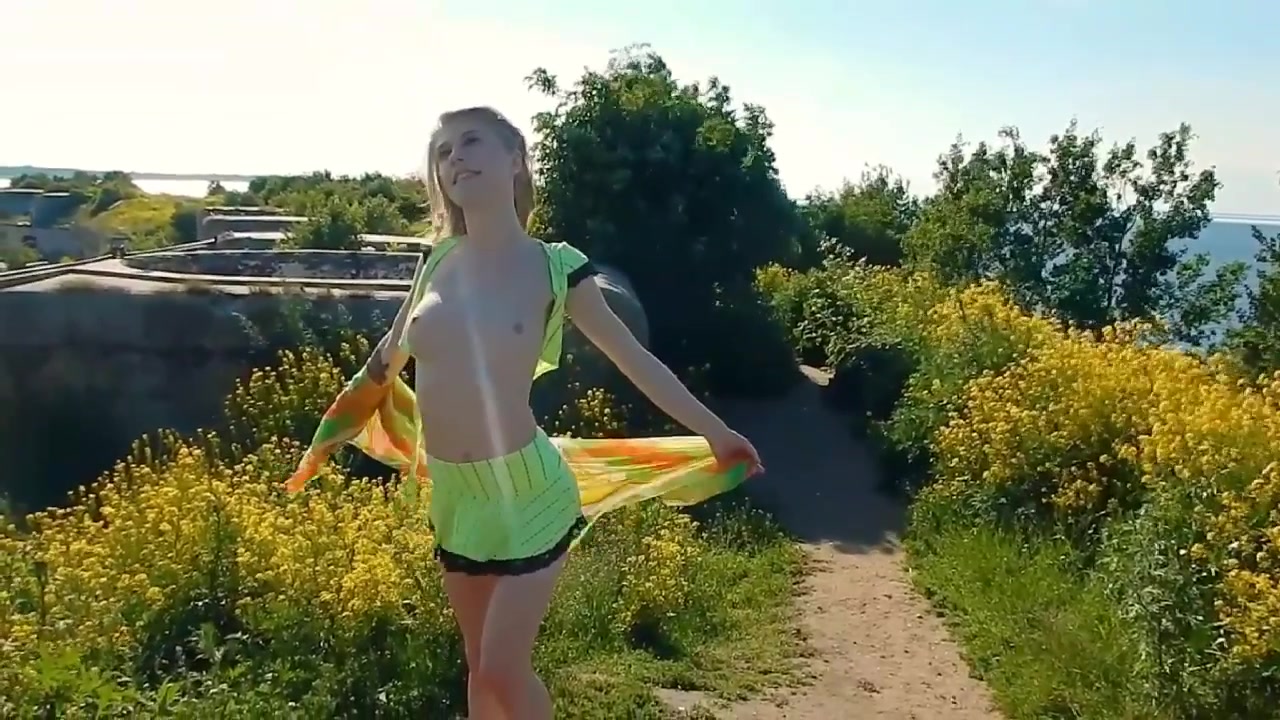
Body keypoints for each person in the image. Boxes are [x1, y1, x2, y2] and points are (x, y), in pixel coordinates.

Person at [287, 106, 761, 720]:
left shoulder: (557, 267)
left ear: (515, 158)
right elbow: (386, 359)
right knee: (478, 667)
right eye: (443, 152)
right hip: (455, 497)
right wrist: (326, 437)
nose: (455, 158)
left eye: (471, 141)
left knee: (504, 672)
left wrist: (717, 433)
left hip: (529, 493)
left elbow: (635, 360)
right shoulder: (436, 261)